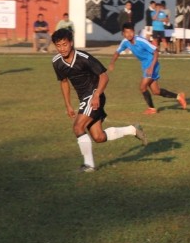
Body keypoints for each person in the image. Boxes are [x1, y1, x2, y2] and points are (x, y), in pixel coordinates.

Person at [51, 28, 147, 172]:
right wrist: (68, 105)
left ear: (71, 43)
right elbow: (64, 82)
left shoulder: (84, 58)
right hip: (84, 98)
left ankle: (89, 165)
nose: (62, 48)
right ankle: (132, 130)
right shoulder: (57, 62)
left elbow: (104, 76)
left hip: (95, 95)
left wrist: (96, 95)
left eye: (65, 44)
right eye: (58, 45)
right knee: (98, 137)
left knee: (78, 127)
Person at [109, 22, 187, 114]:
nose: (129, 34)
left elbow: (156, 52)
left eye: (131, 32)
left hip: (152, 64)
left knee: (142, 87)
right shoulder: (125, 42)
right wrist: (112, 63)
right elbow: (117, 52)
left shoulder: (141, 41)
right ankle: (179, 96)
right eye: (126, 32)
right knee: (156, 91)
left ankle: (151, 108)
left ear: (134, 32)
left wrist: (151, 67)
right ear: (123, 33)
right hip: (145, 65)